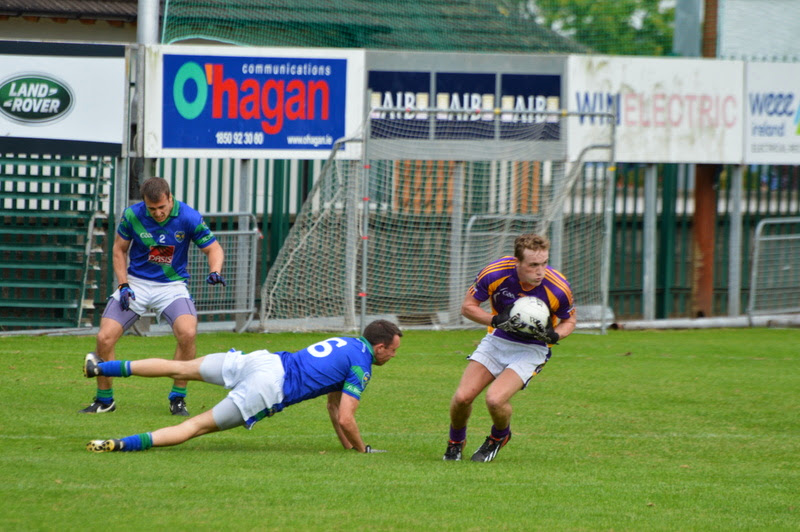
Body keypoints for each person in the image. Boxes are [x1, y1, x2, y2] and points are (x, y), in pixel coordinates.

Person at [83, 319, 403, 453]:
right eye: (393, 350)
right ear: (379, 347)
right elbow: (346, 416)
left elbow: (333, 406)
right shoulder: (361, 367)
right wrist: (364, 450)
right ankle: (119, 444)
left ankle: (100, 366)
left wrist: (347, 448)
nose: (393, 356)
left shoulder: (348, 343)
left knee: (179, 367)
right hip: (270, 386)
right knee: (196, 425)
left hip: (264, 360)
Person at [79, 177, 226, 417]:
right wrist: (124, 284)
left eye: (162, 207)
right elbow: (118, 249)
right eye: (152, 208)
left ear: (170, 198)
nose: (158, 213)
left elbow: (213, 248)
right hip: (135, 284)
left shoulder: (188, 216)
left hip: (171, 287)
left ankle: (177, 398)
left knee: (188, 333)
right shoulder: (132, 215)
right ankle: (104, 401)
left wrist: (215, 270)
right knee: (104, 337)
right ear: (144, 203)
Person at [443, 233, 576, 462]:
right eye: (533, 265)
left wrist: (554, 335)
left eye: (544, 263)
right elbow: (467, 307)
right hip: (497, 340)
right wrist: (495, 321)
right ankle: (456, 441)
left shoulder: (558, 288)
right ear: (517, 263)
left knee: (495, 400)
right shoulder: (495, 273)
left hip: (532, 349)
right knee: (462, 397)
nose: (540, 271)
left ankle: (499, 436)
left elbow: (570, 321)